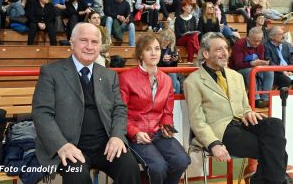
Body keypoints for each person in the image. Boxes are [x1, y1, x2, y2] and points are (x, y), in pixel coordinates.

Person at [32, 23, 141, 184]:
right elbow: (42, 114)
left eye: (95, 42)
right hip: (70, 145)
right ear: (72, 42)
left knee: (130, 169)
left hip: (105, 144)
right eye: (84, 40)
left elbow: (119, 109)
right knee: (78, 177)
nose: (90, 47)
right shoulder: (51, 73)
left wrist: (117, 136)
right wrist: (62, 145)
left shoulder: (109, 76)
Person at [183, 32, 288, 184]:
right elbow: (197, 121)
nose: (225, 52)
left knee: (275, 124)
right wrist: (213, 143)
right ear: (206, 53)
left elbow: (245, 107)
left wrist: (249, 112)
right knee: (275, 149)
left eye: (226, 48)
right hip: (219, 130)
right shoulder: (192, 82)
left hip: (241, 122)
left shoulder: (236, 76)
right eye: (218, 49)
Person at [119, 34, 191, 184]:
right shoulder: (126, 78)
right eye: (148, 49)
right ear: (140, 54)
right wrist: (135, 132)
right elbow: (120, 113)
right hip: (135, 134)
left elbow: (167, 112)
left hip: (158, 132)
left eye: (157, 49)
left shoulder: (167, 79)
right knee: (158, 167)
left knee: (182, 160)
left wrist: (167, 126)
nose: (154, 53)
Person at [229, 27, 274, 108]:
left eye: (259, 40)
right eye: (254, 40)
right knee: (250, 72)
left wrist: (263, 63)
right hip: (238, 70)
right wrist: (252, 63)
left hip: (254, 68)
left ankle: (265, 98)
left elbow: (260, 60)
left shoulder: (260, 46)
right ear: (248, 37)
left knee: (269, 71)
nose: (257, 43)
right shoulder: (239, 44)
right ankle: (255, 100)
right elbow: (238, 64)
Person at [158, 28, 180, 94]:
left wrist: (175, 60)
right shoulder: (157, 48)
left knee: (178, 84)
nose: (167, 42)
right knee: (174, 78)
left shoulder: (173, 49)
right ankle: (171, 92)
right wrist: (162, 60)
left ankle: (174, 99)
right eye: (166, 40)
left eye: (169, 40)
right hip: (160, 72)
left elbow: (174, 67)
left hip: (170, 73)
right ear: (162, 38)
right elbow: (155, 64)